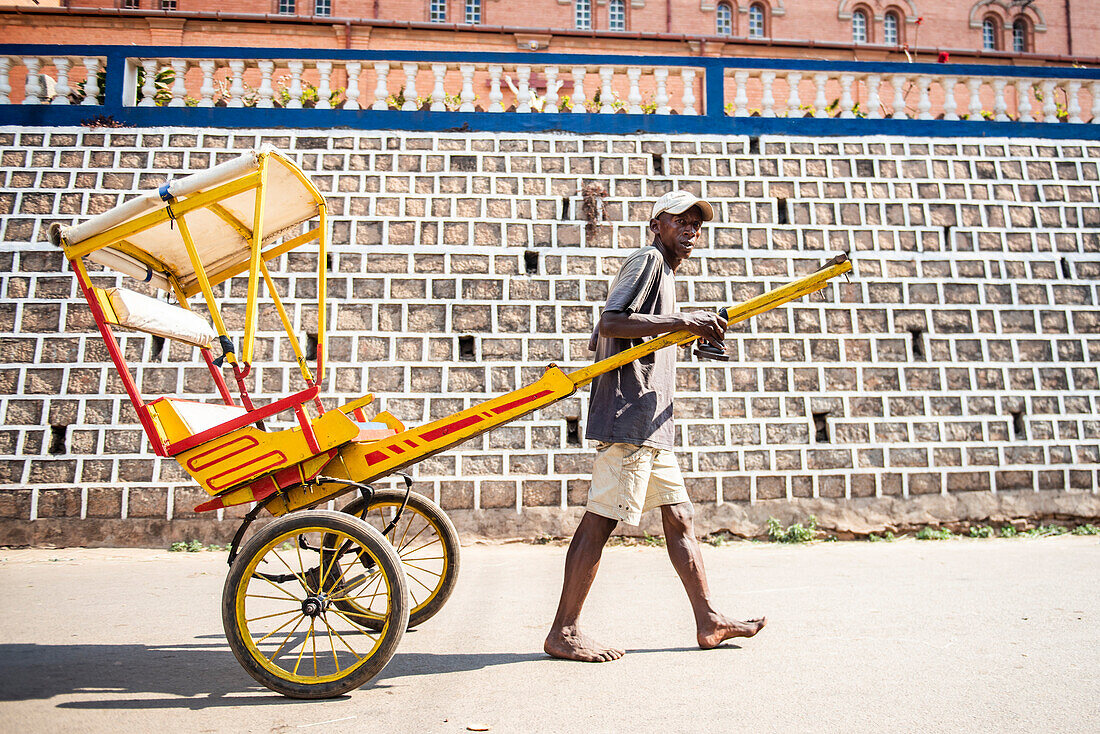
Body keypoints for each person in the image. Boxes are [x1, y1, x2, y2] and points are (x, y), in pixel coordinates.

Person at [544, 190, 767, 663]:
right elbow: (609, 325)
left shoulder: (663, 274)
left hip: (650, 423)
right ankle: (563, 631)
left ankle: (709, 621)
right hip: (630, 417)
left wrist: (683, 332)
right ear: (657, 226)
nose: (690, 230)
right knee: (601, 521)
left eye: (696, 225)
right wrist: (681, 321)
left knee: (681, 518)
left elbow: (617, 331)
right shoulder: (646, 261)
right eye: (680, 222)